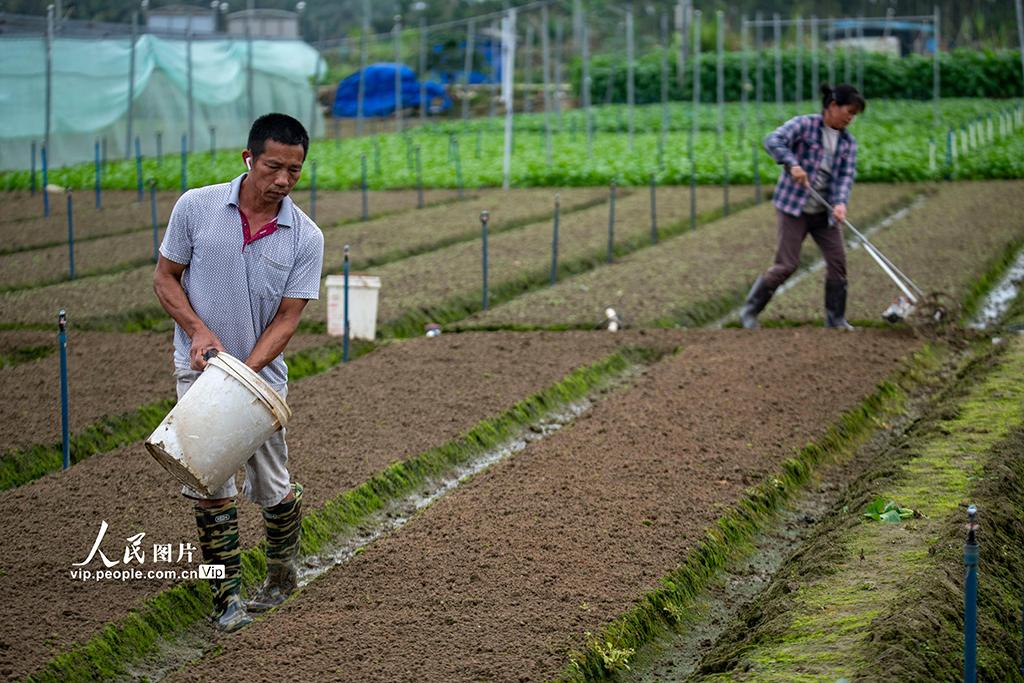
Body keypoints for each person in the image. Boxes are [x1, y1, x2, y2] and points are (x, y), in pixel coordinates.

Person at [153, 113, 324, 632]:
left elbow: (289, 317)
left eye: (295, 171)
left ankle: (279, 576)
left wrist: (243, 375)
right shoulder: (196, 207)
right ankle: (225, 598)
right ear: (248, 158)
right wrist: (199, 332)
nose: (283, 180)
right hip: (199, 369)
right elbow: (165, 280)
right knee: (209, 482)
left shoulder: (305, 236)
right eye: (274, 166)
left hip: (260, 384)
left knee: (272, 485)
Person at [740, 83, 866, 330]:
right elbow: (773, 140)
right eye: (848, 112)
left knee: (838, 263)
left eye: (854, 115)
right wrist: (791, 163)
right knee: (787, 265)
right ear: (832, 106)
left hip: (824, 212)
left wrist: (840, 203)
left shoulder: (848, 143)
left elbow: (844, 177)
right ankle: (749, 312)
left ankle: (836, 319)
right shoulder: (804, 125)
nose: (850, 118)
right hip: (793, 208)